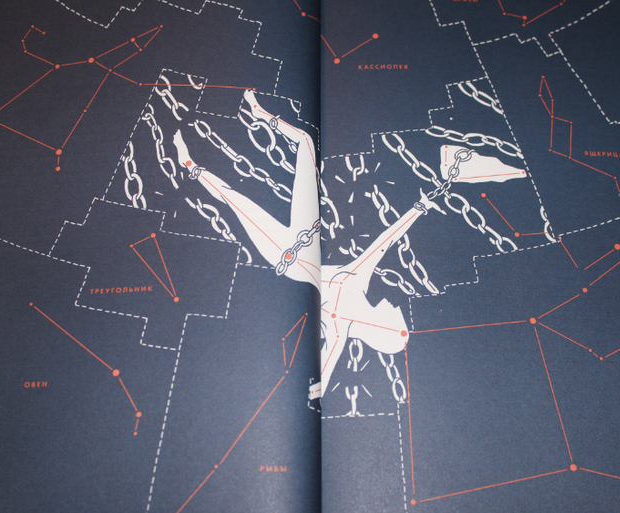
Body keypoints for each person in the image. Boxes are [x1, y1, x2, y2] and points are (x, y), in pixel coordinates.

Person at [173, 90, 442, 398]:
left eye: (397, 315)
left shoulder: (339, 331)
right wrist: (418, 208)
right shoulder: (360, 280)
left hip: (283, 253)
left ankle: (188, 161)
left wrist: (313, 391)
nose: (396, 306)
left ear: (383, 328)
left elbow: (326, 369)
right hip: (307, 232)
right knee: (305, 142)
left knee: (234, 199)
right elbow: (386, 240)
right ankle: (260, 113)